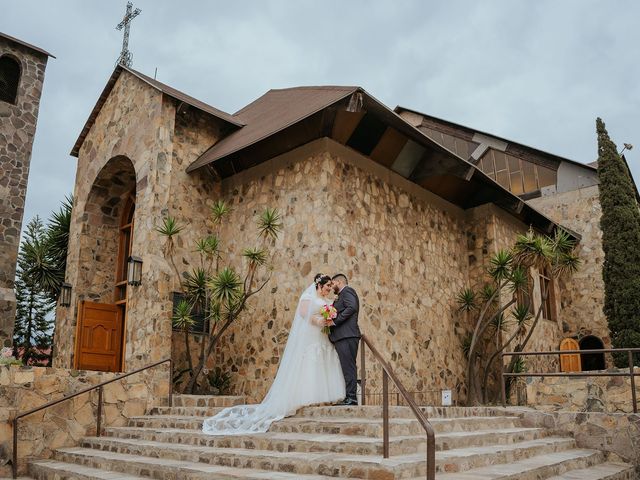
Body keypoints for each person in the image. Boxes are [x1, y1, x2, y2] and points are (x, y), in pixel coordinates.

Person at [202, 273, 345, 435]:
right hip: (311, 334)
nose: (328, 290)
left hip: (322, 335)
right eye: (327, 287)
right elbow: (304, 314)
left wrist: (327, 318)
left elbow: (330, 312)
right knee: (310, 362)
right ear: (319, 285)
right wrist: (319, 321)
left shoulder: (327, 301)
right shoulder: (307, 296)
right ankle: (308, 397)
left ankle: (323, 397)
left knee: (322, 362)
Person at [326, 273, 361, 406]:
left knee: (349, 367)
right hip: (342, 337)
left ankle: (352, 398)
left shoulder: (348, 291)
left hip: (347, 335)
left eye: (333, 284)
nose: (331, 287)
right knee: (346, 367)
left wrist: (335, 322)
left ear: (339, 282)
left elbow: (352, 307)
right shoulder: (341, 295)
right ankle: (349, 396)